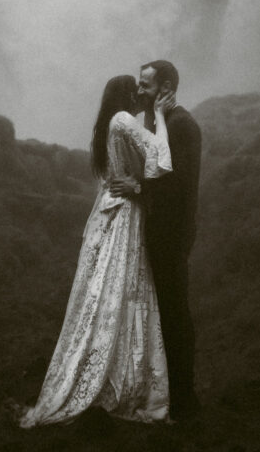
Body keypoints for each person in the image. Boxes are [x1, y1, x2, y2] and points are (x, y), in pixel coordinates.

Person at [19, 74, 174, 428]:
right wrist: (162, 119)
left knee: (112, 291)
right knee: (123, 290)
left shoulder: (111, 124)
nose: (139, 93)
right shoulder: (122, 120)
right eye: (134, 88)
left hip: (116, 211)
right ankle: (121, 378)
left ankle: (109, 371)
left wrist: (136, 181)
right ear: (124, 95)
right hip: (125, 215)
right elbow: (161, 160)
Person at [110, 59, 202, 421]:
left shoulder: (183, 125)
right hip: (162, 231)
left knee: (175, 314)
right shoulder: (166, 123)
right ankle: (173, 394)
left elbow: (175, 186)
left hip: (171, 234)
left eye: (146, 85)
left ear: (165, 88)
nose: (139, 90)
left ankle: (185, 400)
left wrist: (136, 187)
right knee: (166, 313)